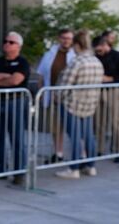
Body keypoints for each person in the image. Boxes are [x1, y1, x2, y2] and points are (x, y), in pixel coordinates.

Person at [54, 30, 105, 179]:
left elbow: (65, 85)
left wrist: (58, 96)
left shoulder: (77, 62)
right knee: (88, 135)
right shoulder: (96, 61)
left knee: (75, 137)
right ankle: (91, 166)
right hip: (90, 104)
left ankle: (74, 168)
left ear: (76, 44)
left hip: (73, 104)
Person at [0, 32, 29, 185]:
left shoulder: (22, 62)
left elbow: (16, 81)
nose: (7, 44)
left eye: (11, 42)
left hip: (15, 102)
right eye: (5, 41)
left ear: (18, 46)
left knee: (17, 137)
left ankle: (19, 172)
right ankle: (0, 169)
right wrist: (6, 77)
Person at [36, 29, 75, 164]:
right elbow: (41, 75)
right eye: (64, 38)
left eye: (69, 38)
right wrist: (41, 92)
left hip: (69, 97)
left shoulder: (75, 55)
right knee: (55, 126)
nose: (66, 41)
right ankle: (58, 153)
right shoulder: (49, 54)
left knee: (71, 127)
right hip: (52, 95)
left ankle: (80, 154)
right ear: (59, 38)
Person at [92, 36, 119, 163]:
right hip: (98, 91)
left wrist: (110, 79)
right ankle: (99, 149)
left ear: (105, 45)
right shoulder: (96, 57)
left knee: (115, 122)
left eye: (99, 50)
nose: (98, 53)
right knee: (98, 122)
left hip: (113, 91)